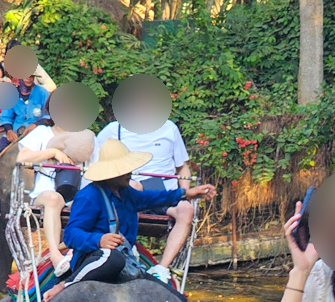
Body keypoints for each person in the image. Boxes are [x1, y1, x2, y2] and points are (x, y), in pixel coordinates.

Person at [58, 138, 214, 288]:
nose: (129, 173)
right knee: (114, 259)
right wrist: (99, 240)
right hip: (95, 258)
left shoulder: (126, 192)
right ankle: (66, 285)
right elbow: (71, 234)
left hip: (124, 258)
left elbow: (151, 198)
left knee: (170, 294)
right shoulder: (89, 196)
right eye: (124, 171)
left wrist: (186, 193)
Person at [92, 114, 195, 286]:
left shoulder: (169, 128)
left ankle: (162, 267)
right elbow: (96, 161)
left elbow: (182, 166)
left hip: (162, 192)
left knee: (186, 209)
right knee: (132, 187)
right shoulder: (113, 129)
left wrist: (186, 192)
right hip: (131, 190)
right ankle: (127, 247)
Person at [16, 122, 94, 274]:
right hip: (45, 194)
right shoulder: (42, 132)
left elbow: (96, 165)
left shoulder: (85, 137)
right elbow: (21, 158)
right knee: (54, 198)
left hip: (76, 194)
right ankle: (55, 254)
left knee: (86, 201)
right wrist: (52, 152)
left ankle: (76, 248)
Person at [0, 74, 49, 146]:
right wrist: (9, 130)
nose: (29, 78)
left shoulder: (42, 93)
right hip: (16, 131)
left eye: (31, 76)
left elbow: (48, 115)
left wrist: (36, 124)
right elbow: (5, 117)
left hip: (37, 131)